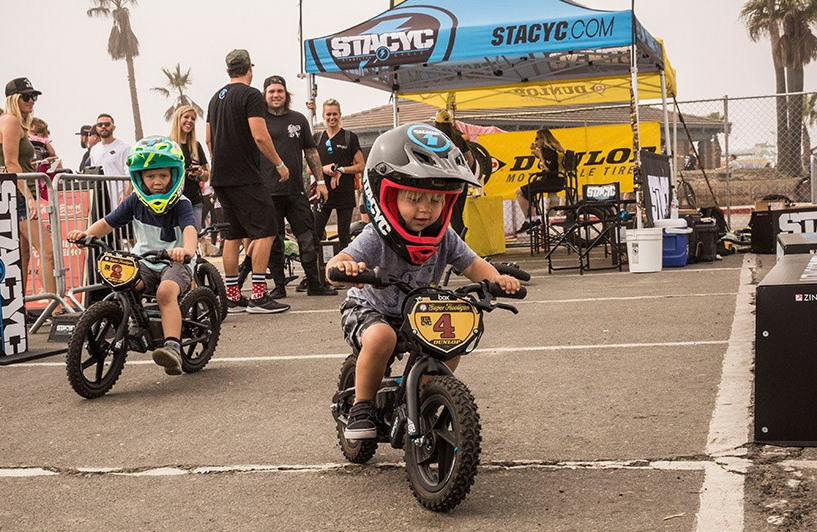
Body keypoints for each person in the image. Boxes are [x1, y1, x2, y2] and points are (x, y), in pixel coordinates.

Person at [325, 124, 522, 440]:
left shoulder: (444, 236)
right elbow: (336, 264)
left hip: (417, 311)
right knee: (380, 339)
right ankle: (362, 405)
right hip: (369, 309)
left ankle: (423, 398)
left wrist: (499, 280)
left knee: (453, 335)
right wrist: (344, 266)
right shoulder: (375, 236)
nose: (424, 209)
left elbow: (472, 264)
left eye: (435, 200)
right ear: (388, 195)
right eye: (414, 198)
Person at [67, 136, 197, 375]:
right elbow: (107, 223)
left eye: (163, 176)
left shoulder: (181, 203)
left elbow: (190, 228)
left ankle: (173, 348)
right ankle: (138, 325)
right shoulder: (134, 202)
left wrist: (186, 250)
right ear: (139, 177)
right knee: (125, 283)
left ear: (174, 175)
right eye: (150, 176)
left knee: (165, 292)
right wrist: (86, 235)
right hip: (145, 259)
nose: (157, 182)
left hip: (175, 260)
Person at [206, 49, 290, 314]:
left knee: (233, 234)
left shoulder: (214, 98)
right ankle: (258, 295)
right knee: (266, 230)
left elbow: (209, 138)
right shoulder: (251, 95)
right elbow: (260, 136)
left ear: (228, 69)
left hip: (220, 176)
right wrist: (279, 164)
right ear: (249, 68)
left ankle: (232, 297)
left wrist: (219, 161)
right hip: (245, 176)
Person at [243, 75, 337, 298]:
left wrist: (320, 181)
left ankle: (315, 284)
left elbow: (311, 151)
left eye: (280, 91)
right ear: (265, 95)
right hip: (267, 192)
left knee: (308, 238)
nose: (276, 95)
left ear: (286, 94)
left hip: (296, 191)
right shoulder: (257, 120)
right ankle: (279, 286)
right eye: (271, 91)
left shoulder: (298, 119)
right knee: (274, 242)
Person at [0, 77, 57, 315]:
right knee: (47, 252)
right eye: (26, 96)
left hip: (17, 194)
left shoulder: (15, 123)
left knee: (21, 255)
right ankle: (56, 309)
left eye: (34, 96)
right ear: (14, 99)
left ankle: (17, 308)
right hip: (19, 196)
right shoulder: (11, 121)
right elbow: (11, 162)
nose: (31, 101)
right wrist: (29, 198)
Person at [313, 98, 365, 251]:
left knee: (344, 237)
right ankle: (316, 271)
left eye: (335, 114)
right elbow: (310, 169)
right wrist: (325, 169)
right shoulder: (317, 138)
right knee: (315, 234)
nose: (332, 118)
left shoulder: (349, 137)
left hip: (344, 192)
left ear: (340, 115)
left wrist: (341, 170)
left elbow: (361, 165)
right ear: (323, 115)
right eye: (328, 114)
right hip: (323, 193)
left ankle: (344, 271)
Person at [515, 128, 565, 234]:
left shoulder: (550, 151)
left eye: (537, 139)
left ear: (543, 139)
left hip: (553, 181)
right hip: (554, 180)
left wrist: (541, 155)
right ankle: (534, 218)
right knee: (528, 190)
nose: (535, 141)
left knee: (519, 192)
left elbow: (549, 168)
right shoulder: (550, 150)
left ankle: (531, 220)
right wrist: (538, 153)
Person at [433, 110, 474, 235]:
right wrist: (464, 173)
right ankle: (461, 244)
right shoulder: (458, 138)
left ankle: (442, 245)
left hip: (442, 181)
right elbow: (471, 160)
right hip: (460, 181)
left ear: (436, 123)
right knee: (457, 216)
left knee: (439, 216)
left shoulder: (434, 139)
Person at [169, 105, 210, 231]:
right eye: (186, 117)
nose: (190, 121)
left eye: (193, 118)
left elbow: (207, 175)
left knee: (194, 237)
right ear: (178, 119)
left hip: (194, 200)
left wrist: (199, 172)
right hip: (173, 200)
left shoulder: (196, 145)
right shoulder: (167, 144)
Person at [89, 113, 131, 207]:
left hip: (120, 199)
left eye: (107, 124)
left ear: (113, 127)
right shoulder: (94, 150)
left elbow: (130, 174)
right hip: (101, 200)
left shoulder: (124, 148)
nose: (103, 126)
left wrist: (126, 194)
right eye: (100, 125)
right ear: (96, 128)